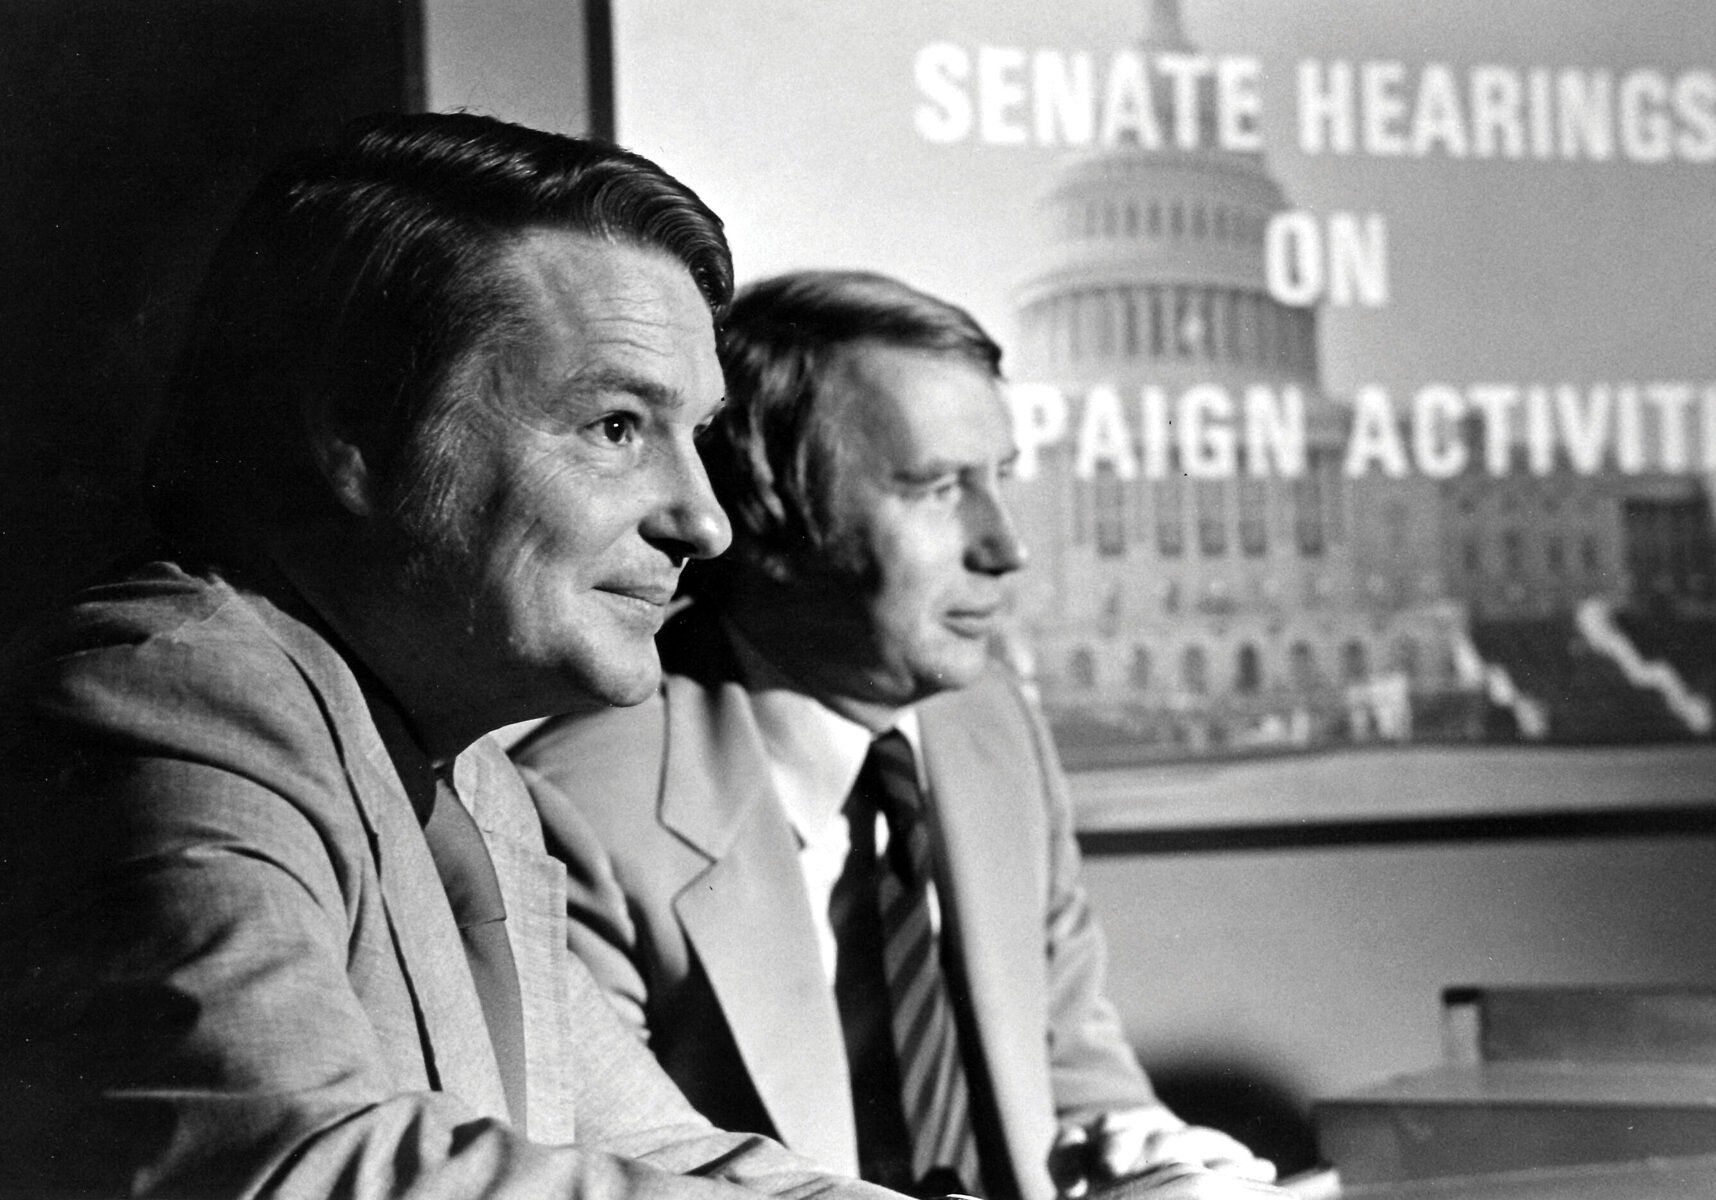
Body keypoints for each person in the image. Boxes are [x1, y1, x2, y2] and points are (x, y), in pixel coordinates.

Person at [0, 113, 909, 1199]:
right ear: (355, 437)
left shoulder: (461, 769)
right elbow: (295, 1163)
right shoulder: (171, 698)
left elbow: (658, 1151)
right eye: (616, 427)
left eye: (696, 438)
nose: (704, 521)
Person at [513, 271, 1279, 1200]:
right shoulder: (578, 801)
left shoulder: (992, 728)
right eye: (938, 489)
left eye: (1001, 481)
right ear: (765, 514)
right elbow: (610, 1177)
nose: (1006, 545)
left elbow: (1074, 1073)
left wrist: (1154, 1157)